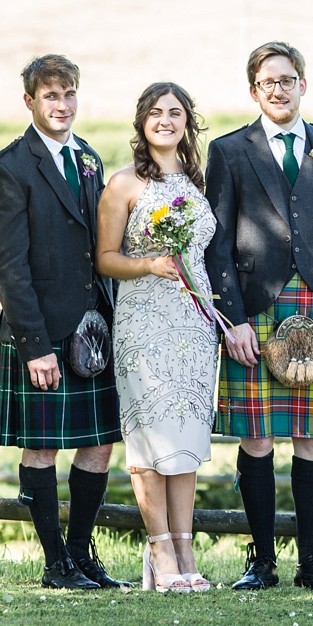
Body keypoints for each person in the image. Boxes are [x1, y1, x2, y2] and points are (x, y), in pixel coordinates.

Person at [204, 42, 313, 591]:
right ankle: (261, 560)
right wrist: (232, 319)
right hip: (256, 307)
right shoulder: (229, 150)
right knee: (258, 438)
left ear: (303, 84)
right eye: (267, 82)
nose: (278, 89)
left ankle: (312, 561)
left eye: (287, 79)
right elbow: (217, 242)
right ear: (253, 90)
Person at [0, 54, 126, 589]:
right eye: (50, 96)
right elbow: (7, 266)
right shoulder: (10, 167)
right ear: (30, 102)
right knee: (41, 446)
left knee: (100, 442)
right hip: (41, 330)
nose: (61, 105)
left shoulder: (86, 156)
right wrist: (35, 344)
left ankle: (82, 555)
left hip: (92, 327)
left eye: (68, 95)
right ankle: (54, 563)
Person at [96, 82, 218, 592]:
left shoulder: (196, 183)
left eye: (175, 112)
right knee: (150, 438)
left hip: (194, 322)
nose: (165, 120)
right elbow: (104, 257)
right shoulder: (123, 184)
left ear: (187, 121)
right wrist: (148, 263)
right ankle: (159, 549)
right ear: (141, 122)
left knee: (186, 434)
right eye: (155, 113)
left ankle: (185, 545)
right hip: (144, 324)